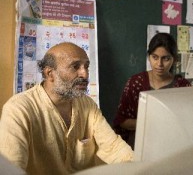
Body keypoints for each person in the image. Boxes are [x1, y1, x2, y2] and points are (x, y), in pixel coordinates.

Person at [0, 42, 133, 175]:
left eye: (86, 67)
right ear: (50, 73)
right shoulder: (18, 110)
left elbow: (114, 148)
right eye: (75, 67)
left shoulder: (87, 105)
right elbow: (12, 169)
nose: (84, 74)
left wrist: (141, 168)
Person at [113, 33, 191, 149]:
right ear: (149, 56)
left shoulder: (183, 87)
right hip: (138, 148)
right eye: (155, 57)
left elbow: (188, 124)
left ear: (174, 60)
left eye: (166, 58)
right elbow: (122, 121)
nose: (159, 64)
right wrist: (150, 124)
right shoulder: (135, 83)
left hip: (172, 149)